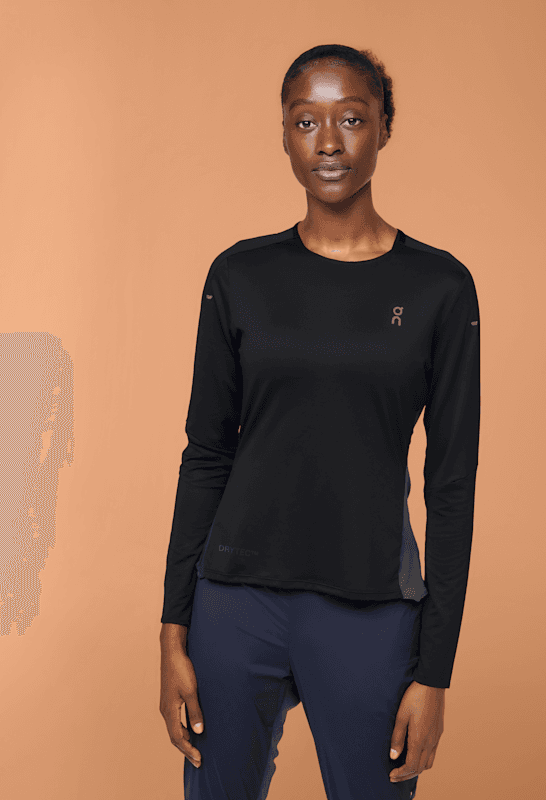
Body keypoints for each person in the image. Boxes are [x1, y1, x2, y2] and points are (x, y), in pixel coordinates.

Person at [159, 43, 481, 800]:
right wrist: (173, 630)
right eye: (306, 121)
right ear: (284, 135)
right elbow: (206, 454)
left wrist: (434, 673)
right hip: (234, 603)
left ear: (384, 127)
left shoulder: (439, 287)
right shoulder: (239, 275)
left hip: (371, 608)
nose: (328, 143)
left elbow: (452, 486)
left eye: (351, 119)